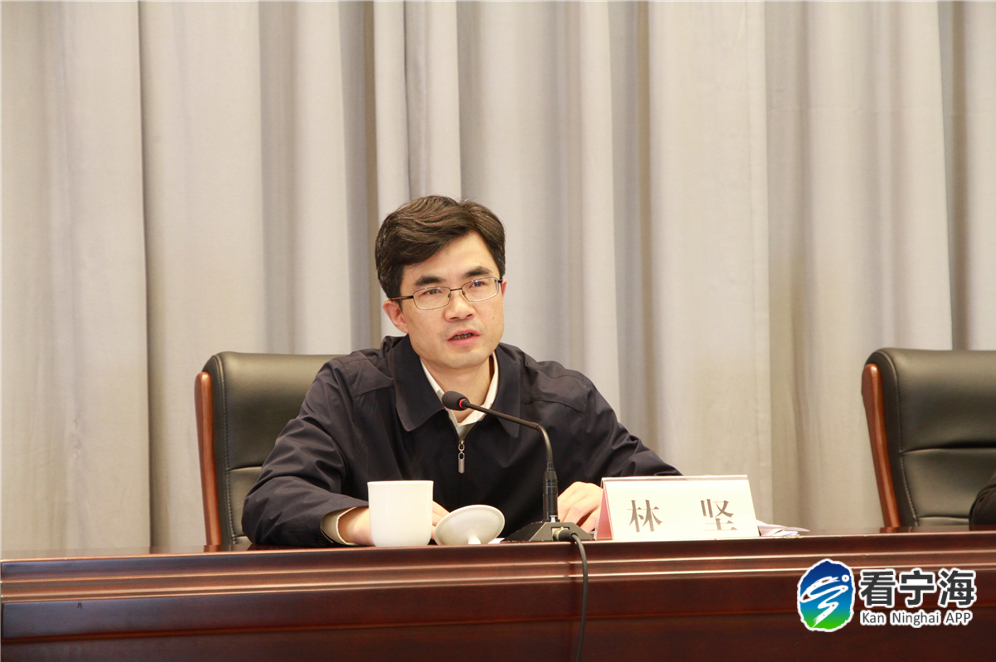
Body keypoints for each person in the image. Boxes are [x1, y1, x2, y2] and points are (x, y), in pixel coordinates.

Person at [242, 195, 679, 546]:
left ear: (502, 292)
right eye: (432, 291)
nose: (460, 309)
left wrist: (615, 504)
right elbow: (270, 500)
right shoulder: (351, 391)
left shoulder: (562, 402)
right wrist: (364, 520)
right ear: (397, 314)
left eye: (477, 284)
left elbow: (678, 497)